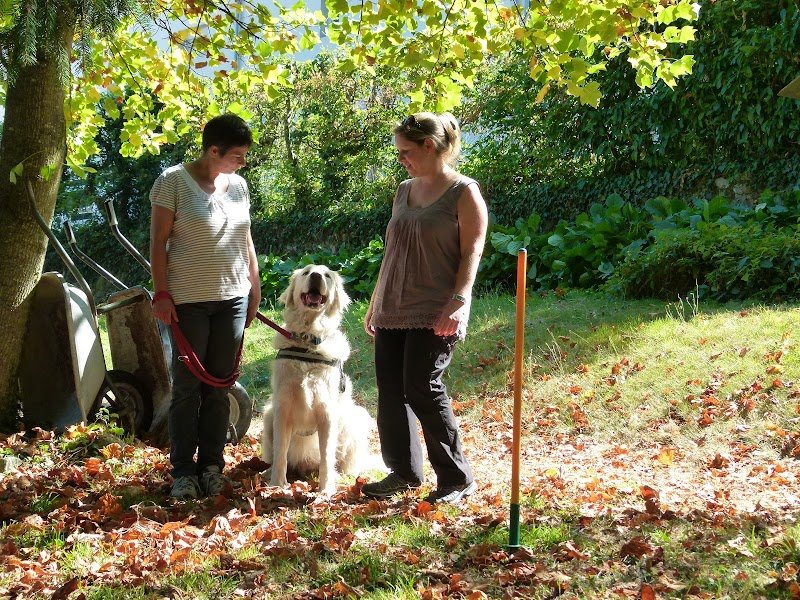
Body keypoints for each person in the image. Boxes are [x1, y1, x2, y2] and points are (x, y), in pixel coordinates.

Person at [361, 112, 488, 505]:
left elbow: (473, 249)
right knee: (391, 392)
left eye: (405, 151)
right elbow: (392, 250)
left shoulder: (464, 192)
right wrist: (375, 300)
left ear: (429, 147)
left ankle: (456, 478)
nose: (401, 158)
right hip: (393, 306)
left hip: (436, 309)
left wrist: (459, 301)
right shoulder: (403, 190)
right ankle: (403, 472)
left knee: (422, 387)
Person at [150, 114, 261, 500]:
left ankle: (212, 466)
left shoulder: (239, 186)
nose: (242, 162)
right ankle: (182, 471)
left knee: (220, 386)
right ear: (214, 151)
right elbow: (158, 242)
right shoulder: (172, 181)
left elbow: (246, 241)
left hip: (233, 299)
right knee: (187, 388)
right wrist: (161, 294)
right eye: (237, 155)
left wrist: (254, 288)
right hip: (187, 305)